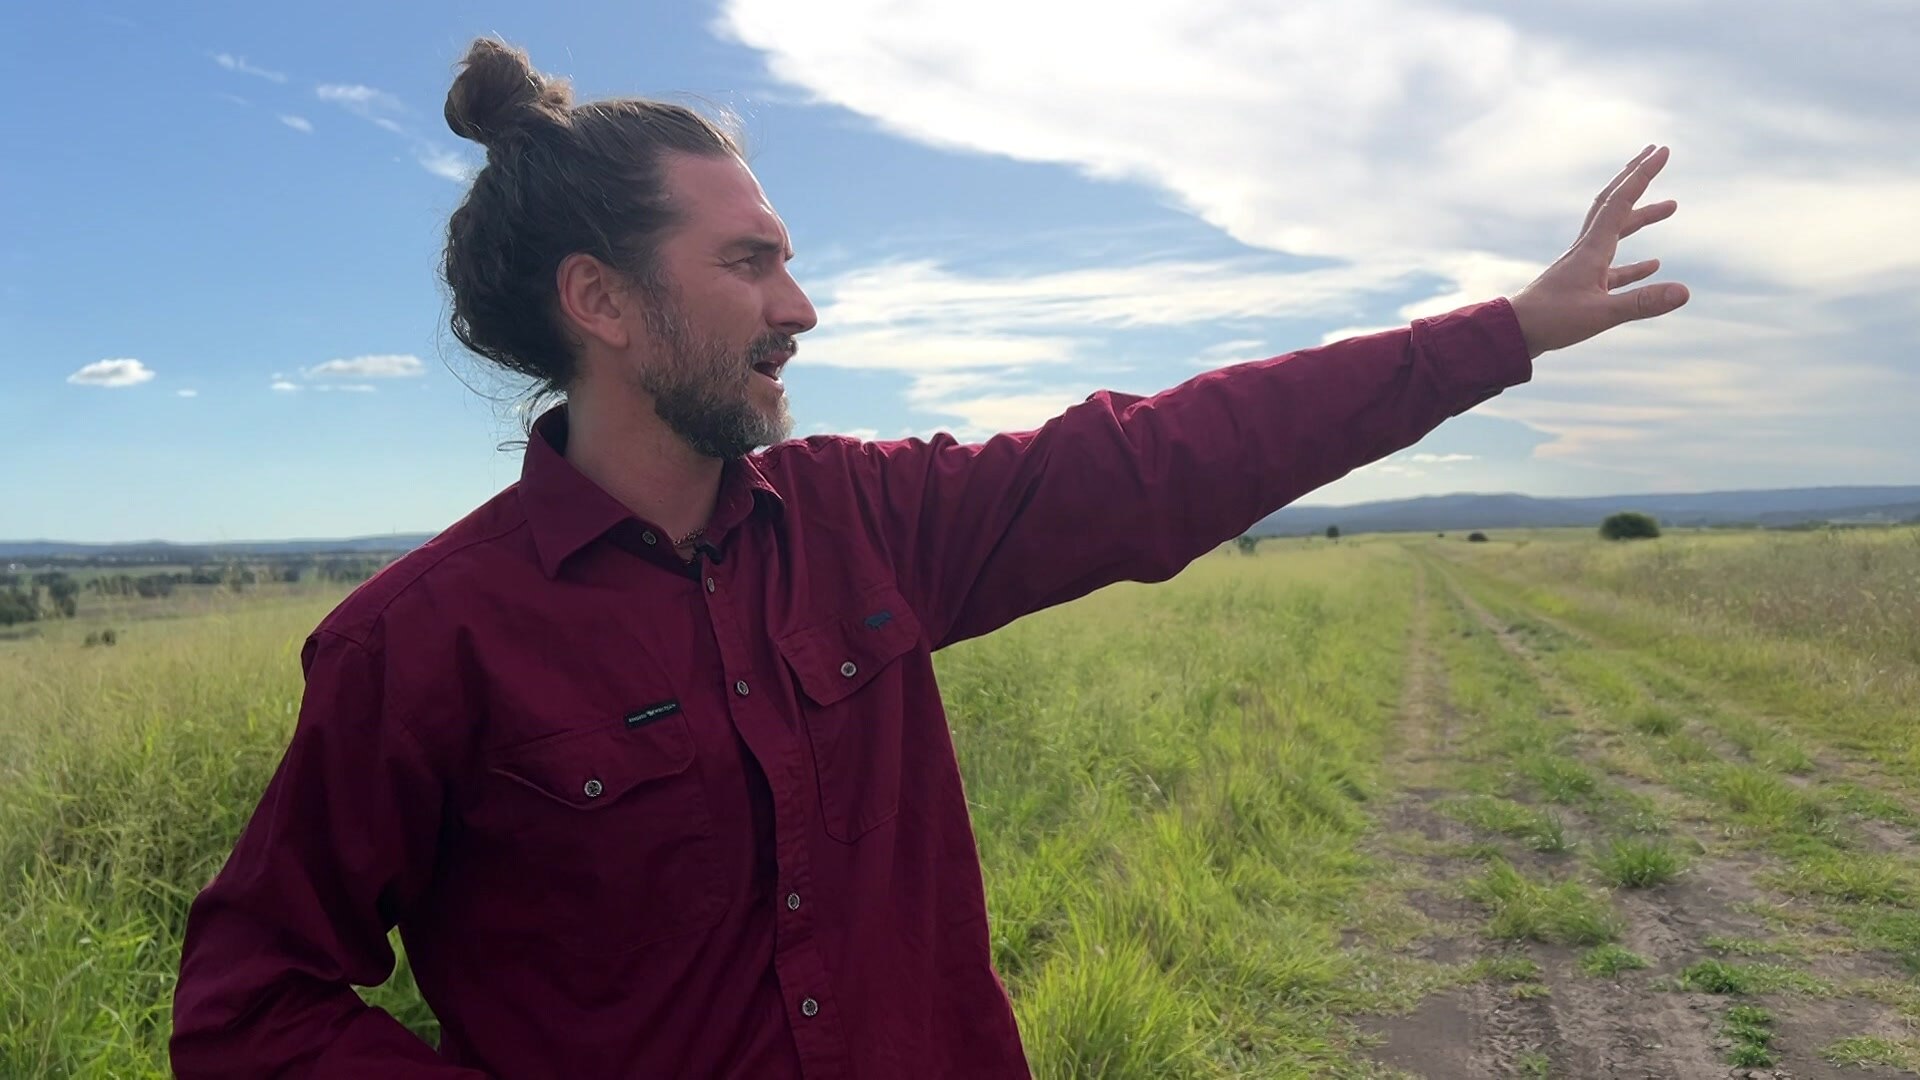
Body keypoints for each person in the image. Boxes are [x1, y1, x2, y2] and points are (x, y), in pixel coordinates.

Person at [170, 36, 1687, 1079]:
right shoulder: (423, 642)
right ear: (604, 302)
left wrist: (1500, 335)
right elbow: (253, 1005)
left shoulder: (868, 521)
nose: (801, 306)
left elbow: (1161, 461)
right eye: (751, 262)